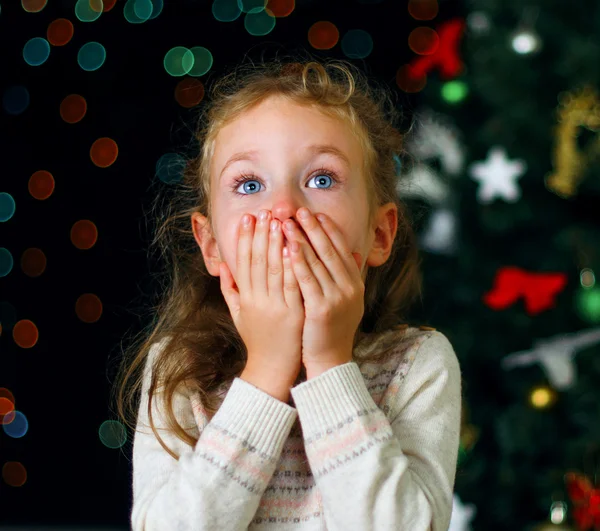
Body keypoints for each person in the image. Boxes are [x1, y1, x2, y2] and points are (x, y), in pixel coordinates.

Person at [112, 55, 463, 530]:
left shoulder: (418, 364)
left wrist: (329, 365)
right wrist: (266, 372)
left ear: (379, 235)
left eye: (321, 179)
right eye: (249, 183)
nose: (283, 208)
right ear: (212, 245)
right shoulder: (178, 369)